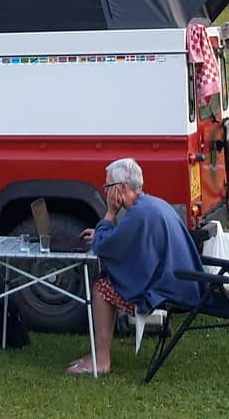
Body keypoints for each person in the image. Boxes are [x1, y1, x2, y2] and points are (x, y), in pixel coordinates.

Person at [66, 157, 204, 376]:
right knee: (107, 280)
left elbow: (104, 248)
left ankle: (101, 360)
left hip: (166, 291)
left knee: (102, 286)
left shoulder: (138, 214)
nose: (106, 192)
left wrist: (110, 214)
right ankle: (100, 355)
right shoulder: (151, 204)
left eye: (108, 187)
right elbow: (121, 240)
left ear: (121, 188)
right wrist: (105, 234)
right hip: (183, 282)